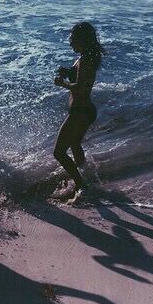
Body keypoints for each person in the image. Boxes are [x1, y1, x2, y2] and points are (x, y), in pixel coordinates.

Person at [53, 22, 105, 195]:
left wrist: (63, 84)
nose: (70, 43)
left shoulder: (86, 59)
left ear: (82, 40)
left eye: (73, 39)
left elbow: (82, 87)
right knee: (75, 144)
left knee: (59, 152)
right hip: (85, 110)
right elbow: (82, 77)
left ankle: (80, 184)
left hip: (80, 111)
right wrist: (68, 71)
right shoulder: (85, 58)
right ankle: (85, 176)